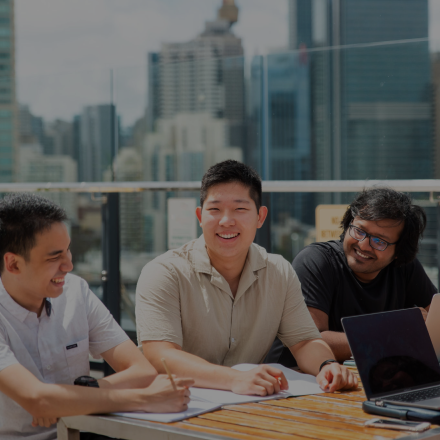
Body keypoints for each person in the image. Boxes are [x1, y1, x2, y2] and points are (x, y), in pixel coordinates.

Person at [136, 160, 357, 396]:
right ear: (200, 216)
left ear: (260, 217)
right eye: (215, 209)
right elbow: (161, 355)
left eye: (240, 209)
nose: (226, 221)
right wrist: (233, 379)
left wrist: (326, 366)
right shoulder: (164, 272)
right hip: (181, 405)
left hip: (250, 404)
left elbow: (304, 342)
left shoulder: (278, 271)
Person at [0, 194, 193, 440]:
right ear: (13, 264)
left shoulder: (76, 292)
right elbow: (37, 400)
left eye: (68, 251)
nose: (69, 265)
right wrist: (146, 399)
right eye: (54, 257)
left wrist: (69, 399)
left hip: (83, 433)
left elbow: (142, 370)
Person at [268, 188, 437, 365]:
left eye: (379, 241)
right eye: (359, 231)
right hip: (302, 380)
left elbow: (435, 318)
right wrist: (392, 332)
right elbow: (312, 342)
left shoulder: (404, 267)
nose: (363, 245)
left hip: (372, 376)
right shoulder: (315, 261)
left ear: (399, 253)